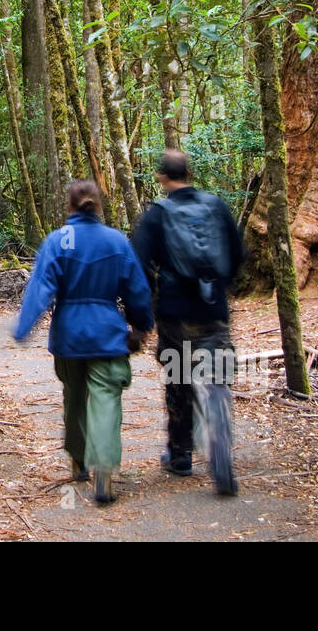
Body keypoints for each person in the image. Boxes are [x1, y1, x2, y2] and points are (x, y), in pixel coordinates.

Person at [13, 179, 153, 505]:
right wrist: (142, 325)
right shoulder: (116, 241)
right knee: (106, 399)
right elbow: (137, 290)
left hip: (69, 336)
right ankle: (103, 472)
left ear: (69, 207)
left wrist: (23, 326)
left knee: (74, 398)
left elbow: (41, 288)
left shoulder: (57, 241)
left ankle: (78, 460)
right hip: (107, 334)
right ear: (99, 205)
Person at [131, 149, 245, 497]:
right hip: (213, 311)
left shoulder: (157, 215)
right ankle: (221, 450)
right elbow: (238, 253)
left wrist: (142, 315)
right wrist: (219, 289)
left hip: (175, 315)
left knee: (179, 382)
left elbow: (136, 263)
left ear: (162, 177)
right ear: (189, 173)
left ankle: (180, 456)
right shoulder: (216, 207)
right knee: (218, 378)